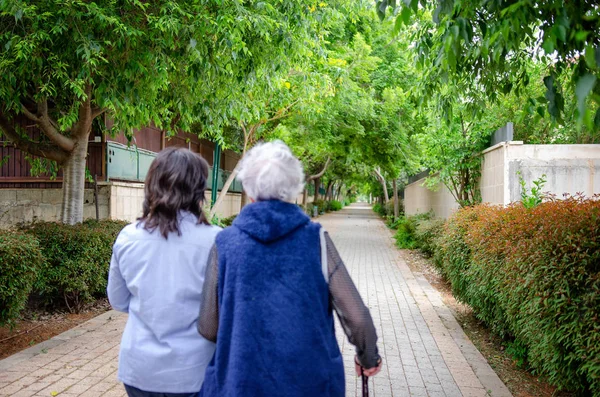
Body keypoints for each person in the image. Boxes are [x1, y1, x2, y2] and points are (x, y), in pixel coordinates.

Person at [197, 141, 382, 397]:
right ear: (293, 188)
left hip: (241, 383)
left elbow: (208, 326)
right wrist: (368, 357)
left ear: (249, 190)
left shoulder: (225, 243)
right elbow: (357, 317)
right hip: (311, 383)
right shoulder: (316, 239)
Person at [107, 147, 220, 397]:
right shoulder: (217, 240)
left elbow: (118, 300)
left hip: (139, 369)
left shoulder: (128, 237)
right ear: (198, 189)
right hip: (194, 371)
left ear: (152, 185)